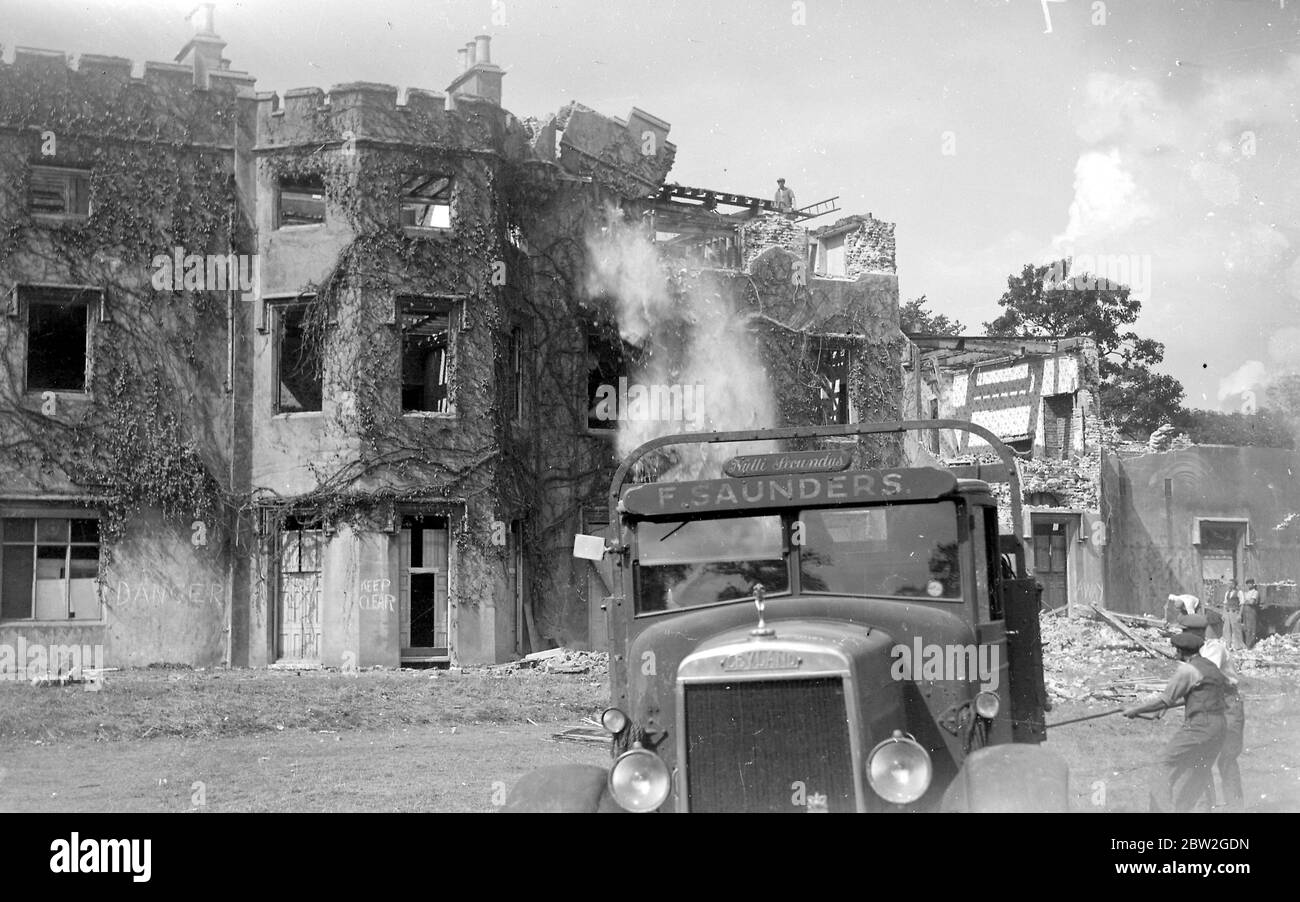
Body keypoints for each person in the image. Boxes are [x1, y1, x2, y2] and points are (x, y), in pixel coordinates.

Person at [1124, 630, 1228, 812]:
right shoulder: (1210, 666)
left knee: (1162, 765)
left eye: (1176, 651)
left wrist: (1135, 710)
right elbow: (1199, 694)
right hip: (1219, 727)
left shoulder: (1188, 670)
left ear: (1181, 652)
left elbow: (1164, 699)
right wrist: (1162, 708)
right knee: (1198, 771)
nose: (1174, 654)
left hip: (1199, 727)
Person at [1182, 613, 1246, 810]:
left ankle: (1236, 807)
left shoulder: (1214, 648)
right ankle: (1205, 807)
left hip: (1227, 705)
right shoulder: (1194, 653)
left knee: (1226, 757)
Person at [1222, 580, 1245, 651]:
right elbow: (1225, 604)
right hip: (1228, 612)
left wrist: (1240, 615)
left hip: (1235, 612)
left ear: (1235, 585)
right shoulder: (1227, 593)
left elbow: (1242, 604)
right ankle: (1228, 645)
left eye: (1232, 584)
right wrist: (1224, 614)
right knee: (1227, 629)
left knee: (1236, 629)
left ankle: (1238, 646)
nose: (1230, 585)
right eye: (1229, 583)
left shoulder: (1239, 592)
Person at [1241, 578, 1261, 649]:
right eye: (1248, 583)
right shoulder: (1247, 593)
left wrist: (1246, 601)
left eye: (1250, 583)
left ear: (1253, 584)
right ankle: (1247, 645)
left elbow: (1251, 602)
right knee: (1246, 629)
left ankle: (1250, 646)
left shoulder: (1255, 592)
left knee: (1251, 629)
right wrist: (1246, 601)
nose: (1249, 585)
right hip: (1245, 611)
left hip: (1251, 611)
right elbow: (1243, 601)